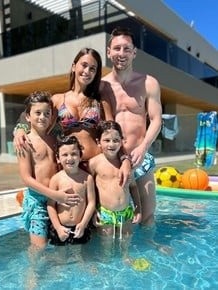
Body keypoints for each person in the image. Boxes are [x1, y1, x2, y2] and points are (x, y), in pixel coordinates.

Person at [13, 47, 131, 182]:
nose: (87, 71)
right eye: (84, 65)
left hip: (97, 163)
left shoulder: (100, 100)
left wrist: (125, 159)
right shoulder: (58, 100)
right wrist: (20, 129)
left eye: (92, 69)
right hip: (70, 166)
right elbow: (32, 111)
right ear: (74, 66)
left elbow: (114, 132)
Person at [100, 27, 162, 227]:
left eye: (126, 49)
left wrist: (143, 148)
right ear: (108, 52)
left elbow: (156, 120)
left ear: (134, 53)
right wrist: (22, 126)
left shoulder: (149, 83)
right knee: (112, 220)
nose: (121, 53)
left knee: (147, 217)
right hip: (113, 160)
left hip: (140, 157)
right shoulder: (101, 86)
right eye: (116, 48)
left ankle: (150, 256)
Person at [17, 91, 80, 249]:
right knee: (39, 247)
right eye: (37, 113)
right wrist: (55, 194)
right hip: (39, 200)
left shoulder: (55, 139)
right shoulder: (25, 142)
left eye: (47, 113)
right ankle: (33, 274)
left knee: (61, 242)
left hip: (57, 199)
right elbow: (26, 178)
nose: (42, 117)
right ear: (28, 116)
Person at [88, 121, 141, 261]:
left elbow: (134, 187)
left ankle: (125, 257)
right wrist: (93, 210)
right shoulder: (94, 163)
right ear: (98, 142)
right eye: (107, 140)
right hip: (106, 212)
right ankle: (106, 260)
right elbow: (89, 189)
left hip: (126, 211)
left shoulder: (126, 165)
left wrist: (138, 209)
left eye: (116, 140)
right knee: (106, 243)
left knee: (126, 239)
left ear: (122, 141)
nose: (111, 144)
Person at [47, 135, 96, 245]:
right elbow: (51, 205)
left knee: (82, 259)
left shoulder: (87, 178)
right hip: (60, 228)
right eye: (65, 155)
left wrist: (83, 224)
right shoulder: (56, 179)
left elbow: (91, 203)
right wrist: (58, 227)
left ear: (80, 156)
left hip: (80, 227)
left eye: (74, 154)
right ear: (58, 158)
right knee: (60, 259)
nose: (70, 158)